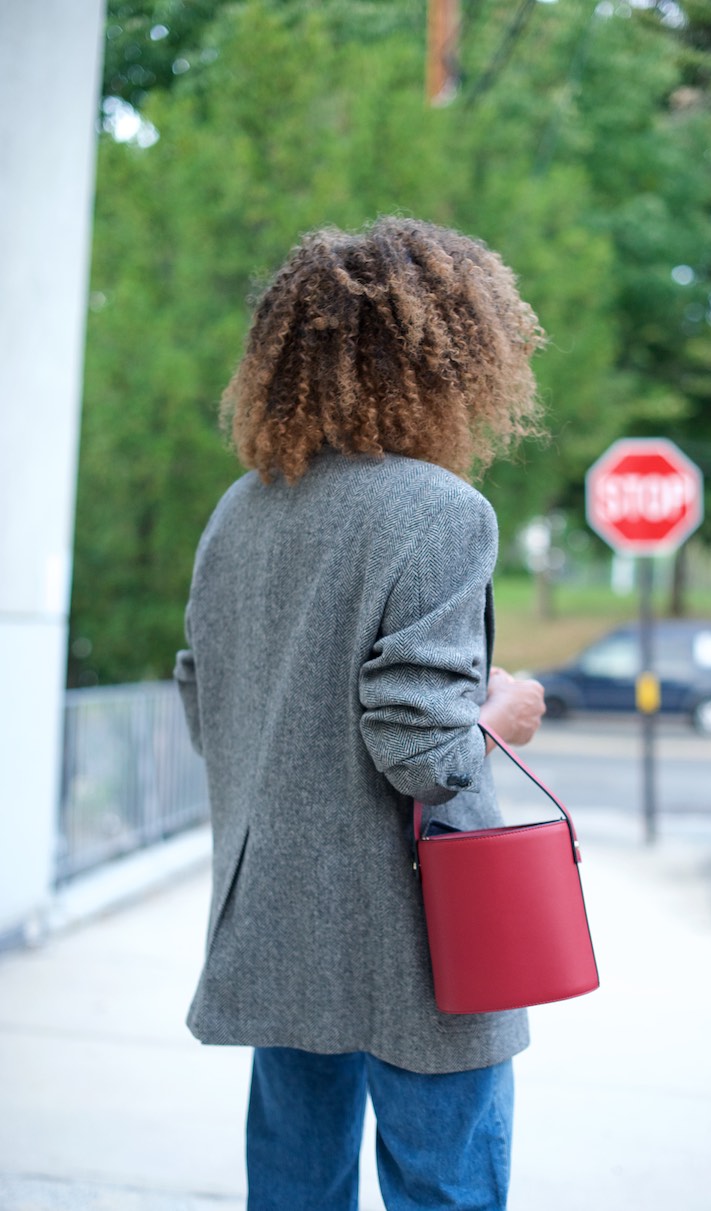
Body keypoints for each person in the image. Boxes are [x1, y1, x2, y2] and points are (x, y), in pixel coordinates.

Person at [175, 216, 547, 1211]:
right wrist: (501, 709)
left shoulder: (239, 510)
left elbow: (205, 700)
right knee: (445, 1185)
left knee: (294, 1185)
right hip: (421, 940)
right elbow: (424, 752)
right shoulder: (439, 511)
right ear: (449, 350)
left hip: (281, 929)